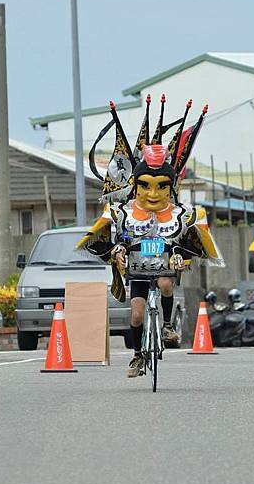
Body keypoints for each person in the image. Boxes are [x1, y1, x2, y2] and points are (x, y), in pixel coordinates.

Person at [76, 96, 224, 377]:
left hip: (165, 264)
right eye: (145, 186)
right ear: (136, 185)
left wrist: (183, 258)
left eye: (161, 187)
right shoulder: (121, 211)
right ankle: (136, 356)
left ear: (170, 187)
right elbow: (106, 239)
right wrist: (116, 252)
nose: (153, 194)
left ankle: (167, 325)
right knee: (135, 314)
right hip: (138, 267)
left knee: (167, 282)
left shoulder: (184, 213)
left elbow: (193, 245)